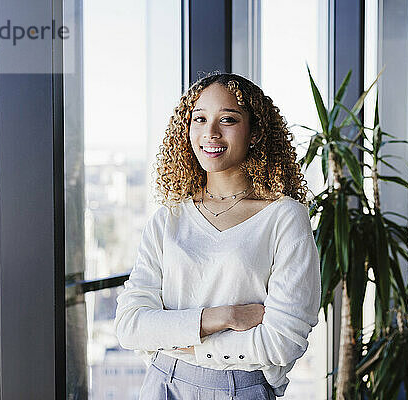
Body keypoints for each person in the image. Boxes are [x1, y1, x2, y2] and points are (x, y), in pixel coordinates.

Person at [113, 72, 322, 399]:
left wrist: (178, 341)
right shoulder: (169, 218)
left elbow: (282, 342)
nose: (210, 132)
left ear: (254, 133)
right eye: (199, 119)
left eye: (227, 119)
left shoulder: (284, 217)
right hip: (162, 383)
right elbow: (130, 326)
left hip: (240, 388)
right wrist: (228, 317)